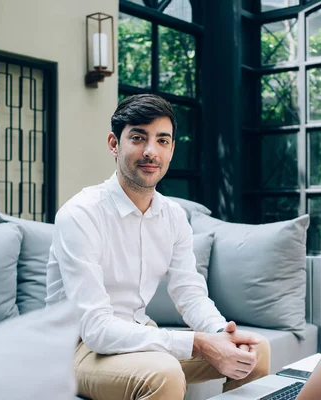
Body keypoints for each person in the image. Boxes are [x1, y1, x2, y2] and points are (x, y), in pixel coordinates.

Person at [45, 94, 271, 400]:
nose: (151, 151)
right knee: (162, 373)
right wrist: (199, 343)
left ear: (172, 149)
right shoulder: (81, 214)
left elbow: (190, 294)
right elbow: (96, 330)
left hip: (136, 337)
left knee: (253, 350)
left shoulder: (173, 216)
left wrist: (220, 334)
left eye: (162, 141)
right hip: (76, 348)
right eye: (138, 138)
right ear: (114, 144)